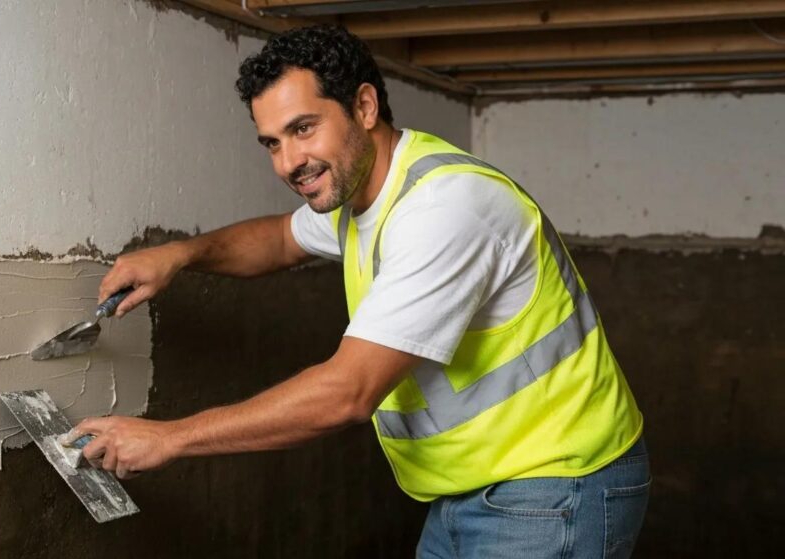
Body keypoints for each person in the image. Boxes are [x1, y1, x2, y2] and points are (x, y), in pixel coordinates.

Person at [65, 25, 649, 558]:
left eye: (303, 128)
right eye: (272, 143)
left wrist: (169, 439)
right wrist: (179, 255)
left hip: (554, 485)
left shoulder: (444, 208)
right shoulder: (361, 195)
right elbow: (280, 239)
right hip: (475, 486)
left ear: (364, 107)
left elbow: (347, 392)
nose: (289, 162)